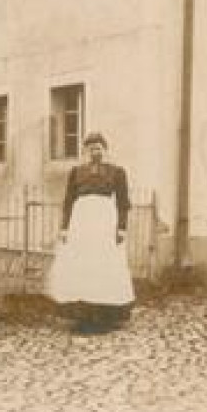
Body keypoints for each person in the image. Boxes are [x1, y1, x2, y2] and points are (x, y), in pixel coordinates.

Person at [45, 132, 134, 332]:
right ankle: (83, 316)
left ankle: (105, 316)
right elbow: (68, 201)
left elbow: (123, 202)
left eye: (99, 147)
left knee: (103, 265)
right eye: (91, 148)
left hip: (104, 223)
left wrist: (121, 228)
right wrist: (65, 228)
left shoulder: (117, 172)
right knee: (82, 265)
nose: (95, 151)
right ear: (85, 151)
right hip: (81, 223)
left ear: (105, 150)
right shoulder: (76, 172)